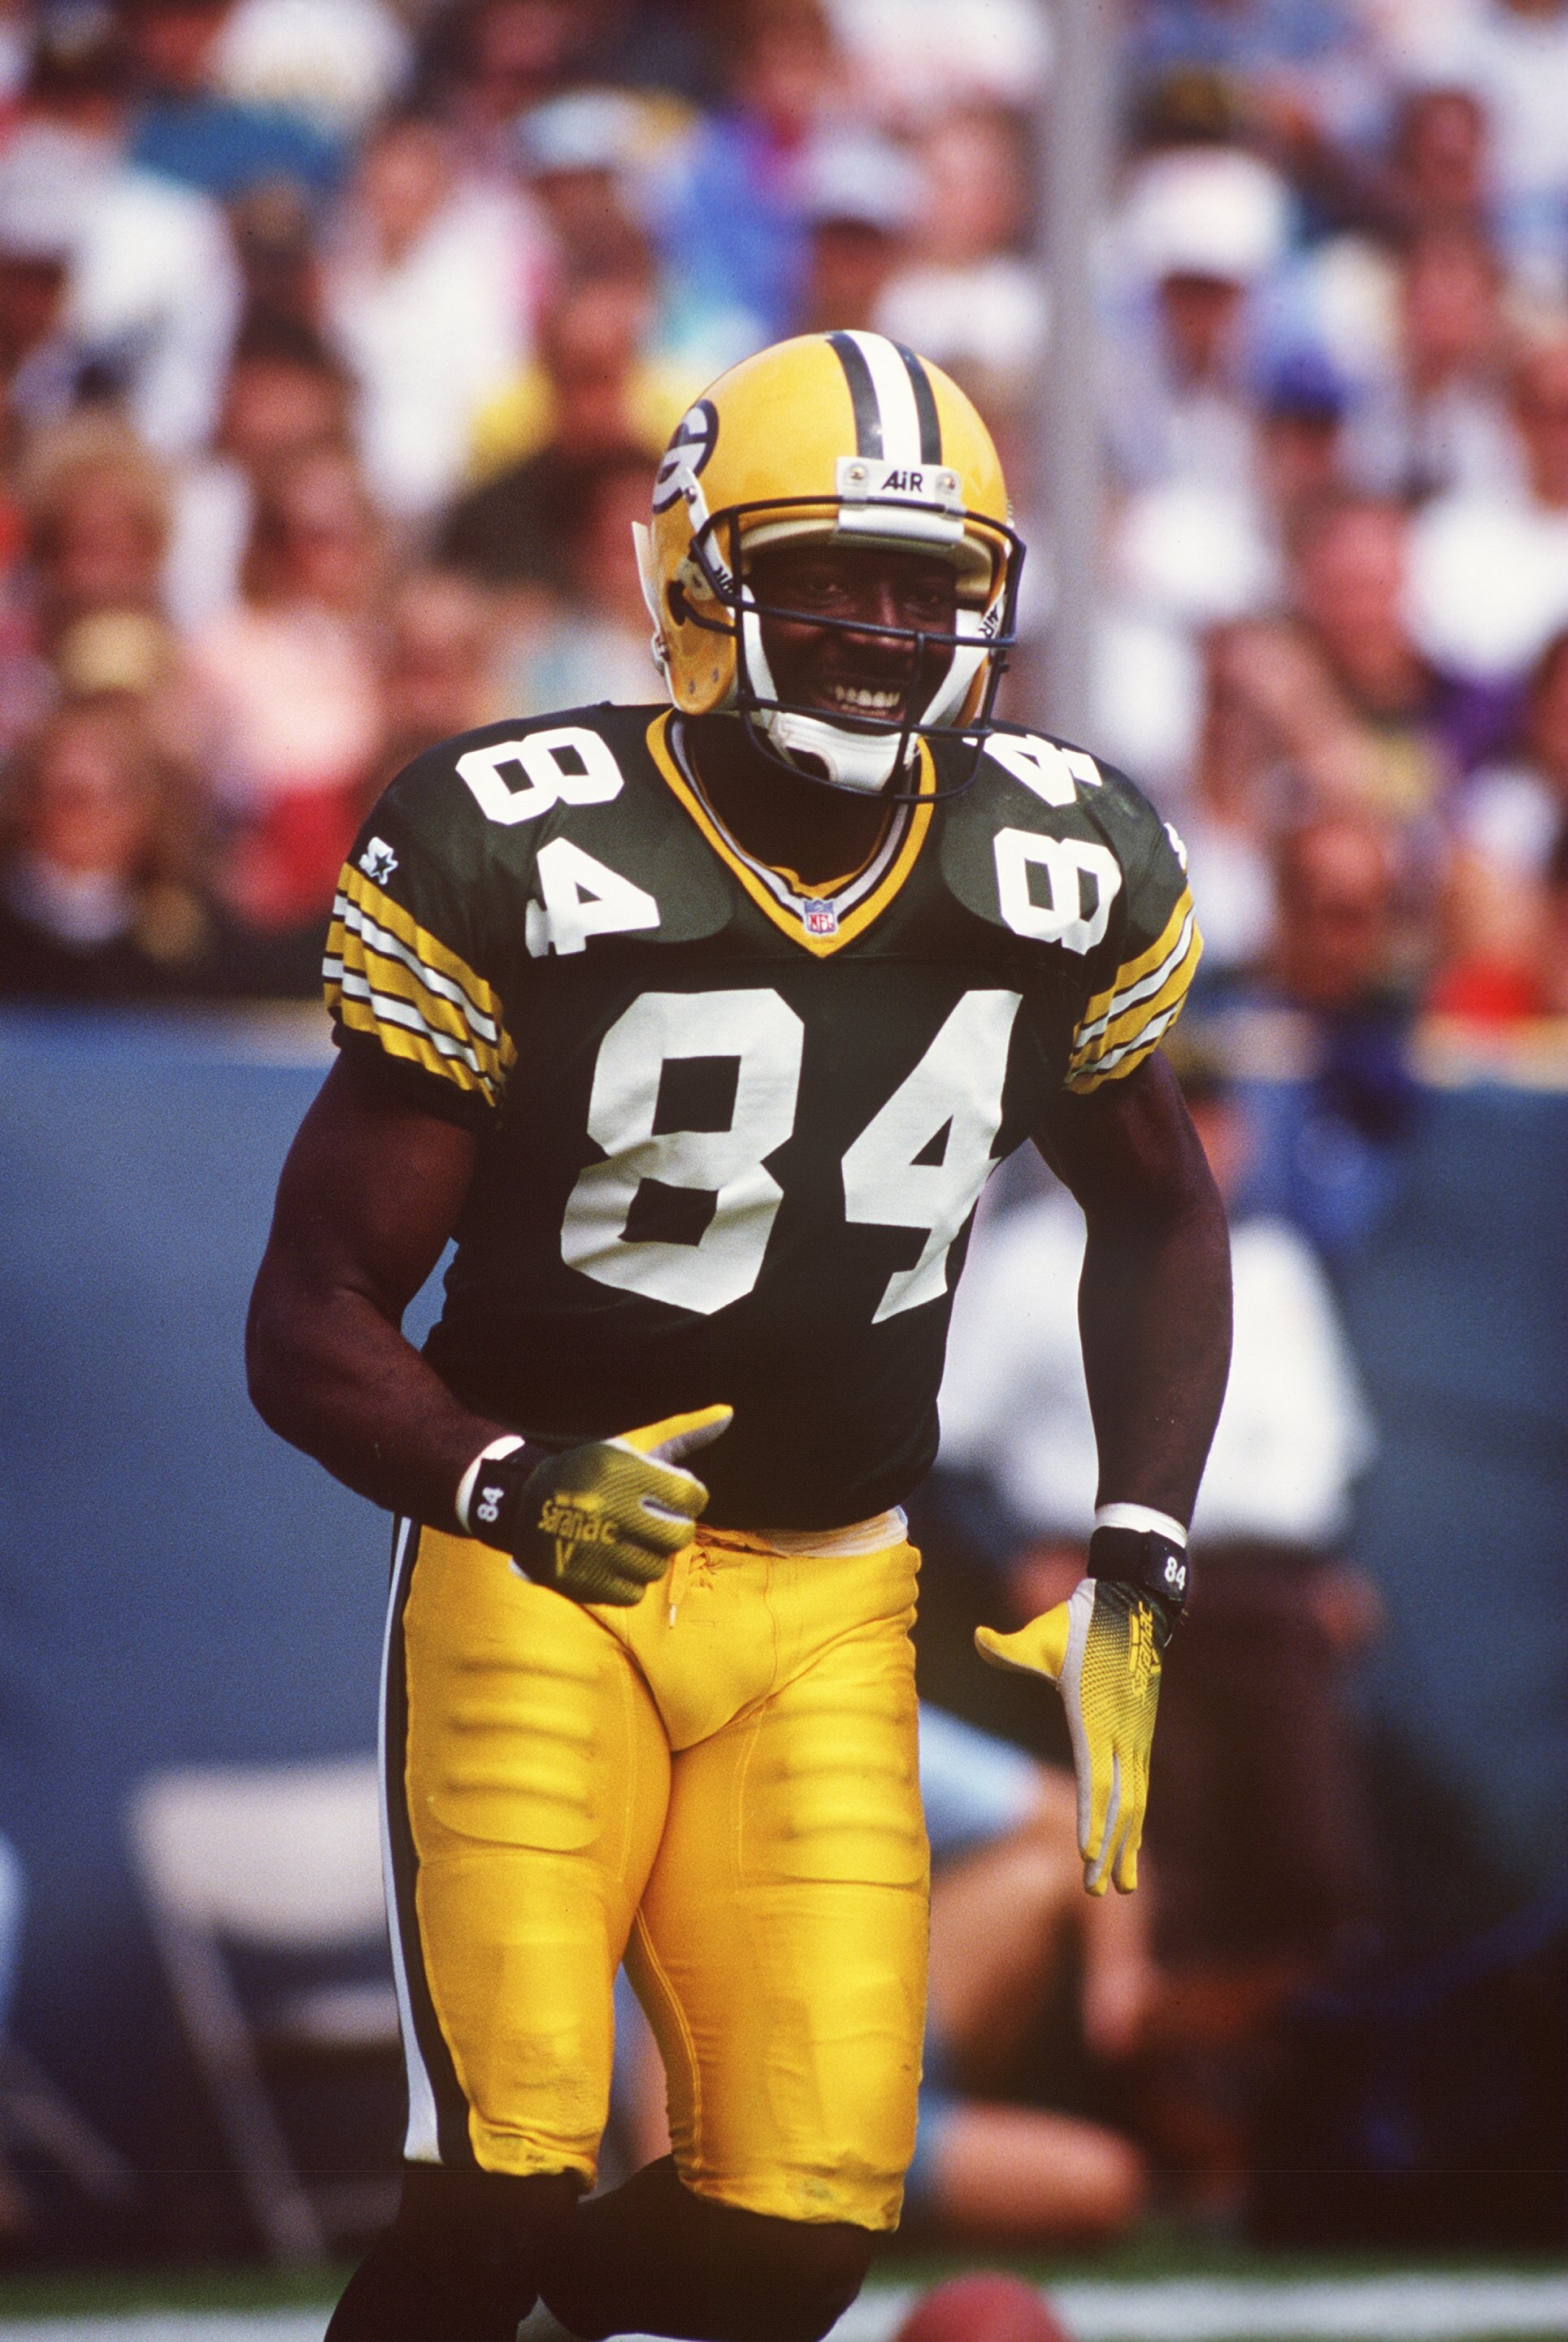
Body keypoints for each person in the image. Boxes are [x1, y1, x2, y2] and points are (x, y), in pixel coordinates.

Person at [246, 330, 1231, 2342]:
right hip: (546, 1575)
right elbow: (309, 1313)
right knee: (507, 2177)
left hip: (831, 1593)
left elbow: (1161, 1210)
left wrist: (1139, 1542)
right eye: (832, 574)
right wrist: (503, 1478)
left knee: (795, 2236)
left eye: (928, 584)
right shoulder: (520, 838)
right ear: (696, 573)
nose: (885, 629)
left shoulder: (1052, 863)